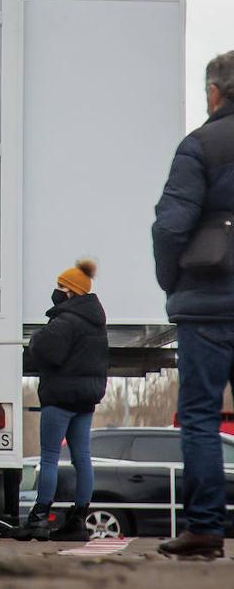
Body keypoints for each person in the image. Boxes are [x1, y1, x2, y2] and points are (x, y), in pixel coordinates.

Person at [152, 50, 234, 560]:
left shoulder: (200, 144)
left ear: (214, 92)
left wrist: (172, 281)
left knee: (201, 417)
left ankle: (204, 529)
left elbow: (170, 226)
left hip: (207, 305)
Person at [14, 259, 107, 542]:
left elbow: (43, 348)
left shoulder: (65, 321)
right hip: (86, 400)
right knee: (82, 458)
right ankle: (79, 521)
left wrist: (35, 340)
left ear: (71, 292)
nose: (56, 291)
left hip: (60, 398)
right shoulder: (96, 322)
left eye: (60, 287)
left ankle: (38, 518)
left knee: (50, 457)